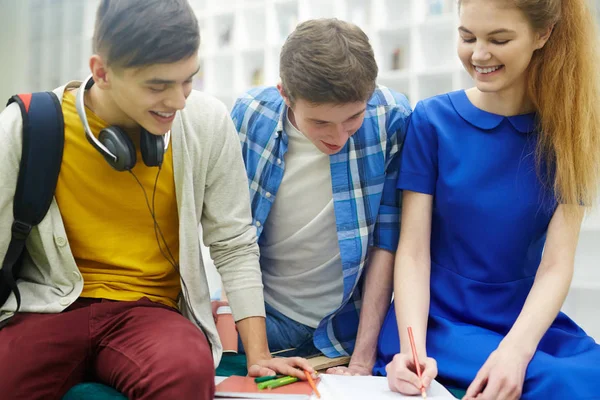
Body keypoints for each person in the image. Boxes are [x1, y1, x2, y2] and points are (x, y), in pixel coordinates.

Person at [0, 1, 311, 399]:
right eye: (158, 85)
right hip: (49, 307)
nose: (179, 101)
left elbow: (233, 243)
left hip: (151, 313)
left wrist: (259, 354)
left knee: (186, 372)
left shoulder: (206, 122)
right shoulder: (29, 125)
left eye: (188, 80)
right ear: (102, 72)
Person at [376, 0, 600, 399]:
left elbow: (555, 267)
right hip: (437, 322)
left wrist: (515, 350)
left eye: (499, 39)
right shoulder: (432, 120)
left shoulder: (570, 133)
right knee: (556, 384)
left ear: (542, 35)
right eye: (467, 37)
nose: (478, 54)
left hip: (524, 322)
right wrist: (411, 350)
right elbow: (412, 252)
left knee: (585, 379)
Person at [230, 18, 411, 374]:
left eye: (353, 118)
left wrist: (362, 361)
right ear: (285, 94)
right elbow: (233, 239)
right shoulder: (249, 115)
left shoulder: (392, 117)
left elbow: (386, 243)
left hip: (350, 328)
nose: (339, 136)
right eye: (320, 123)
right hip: (264, 319)